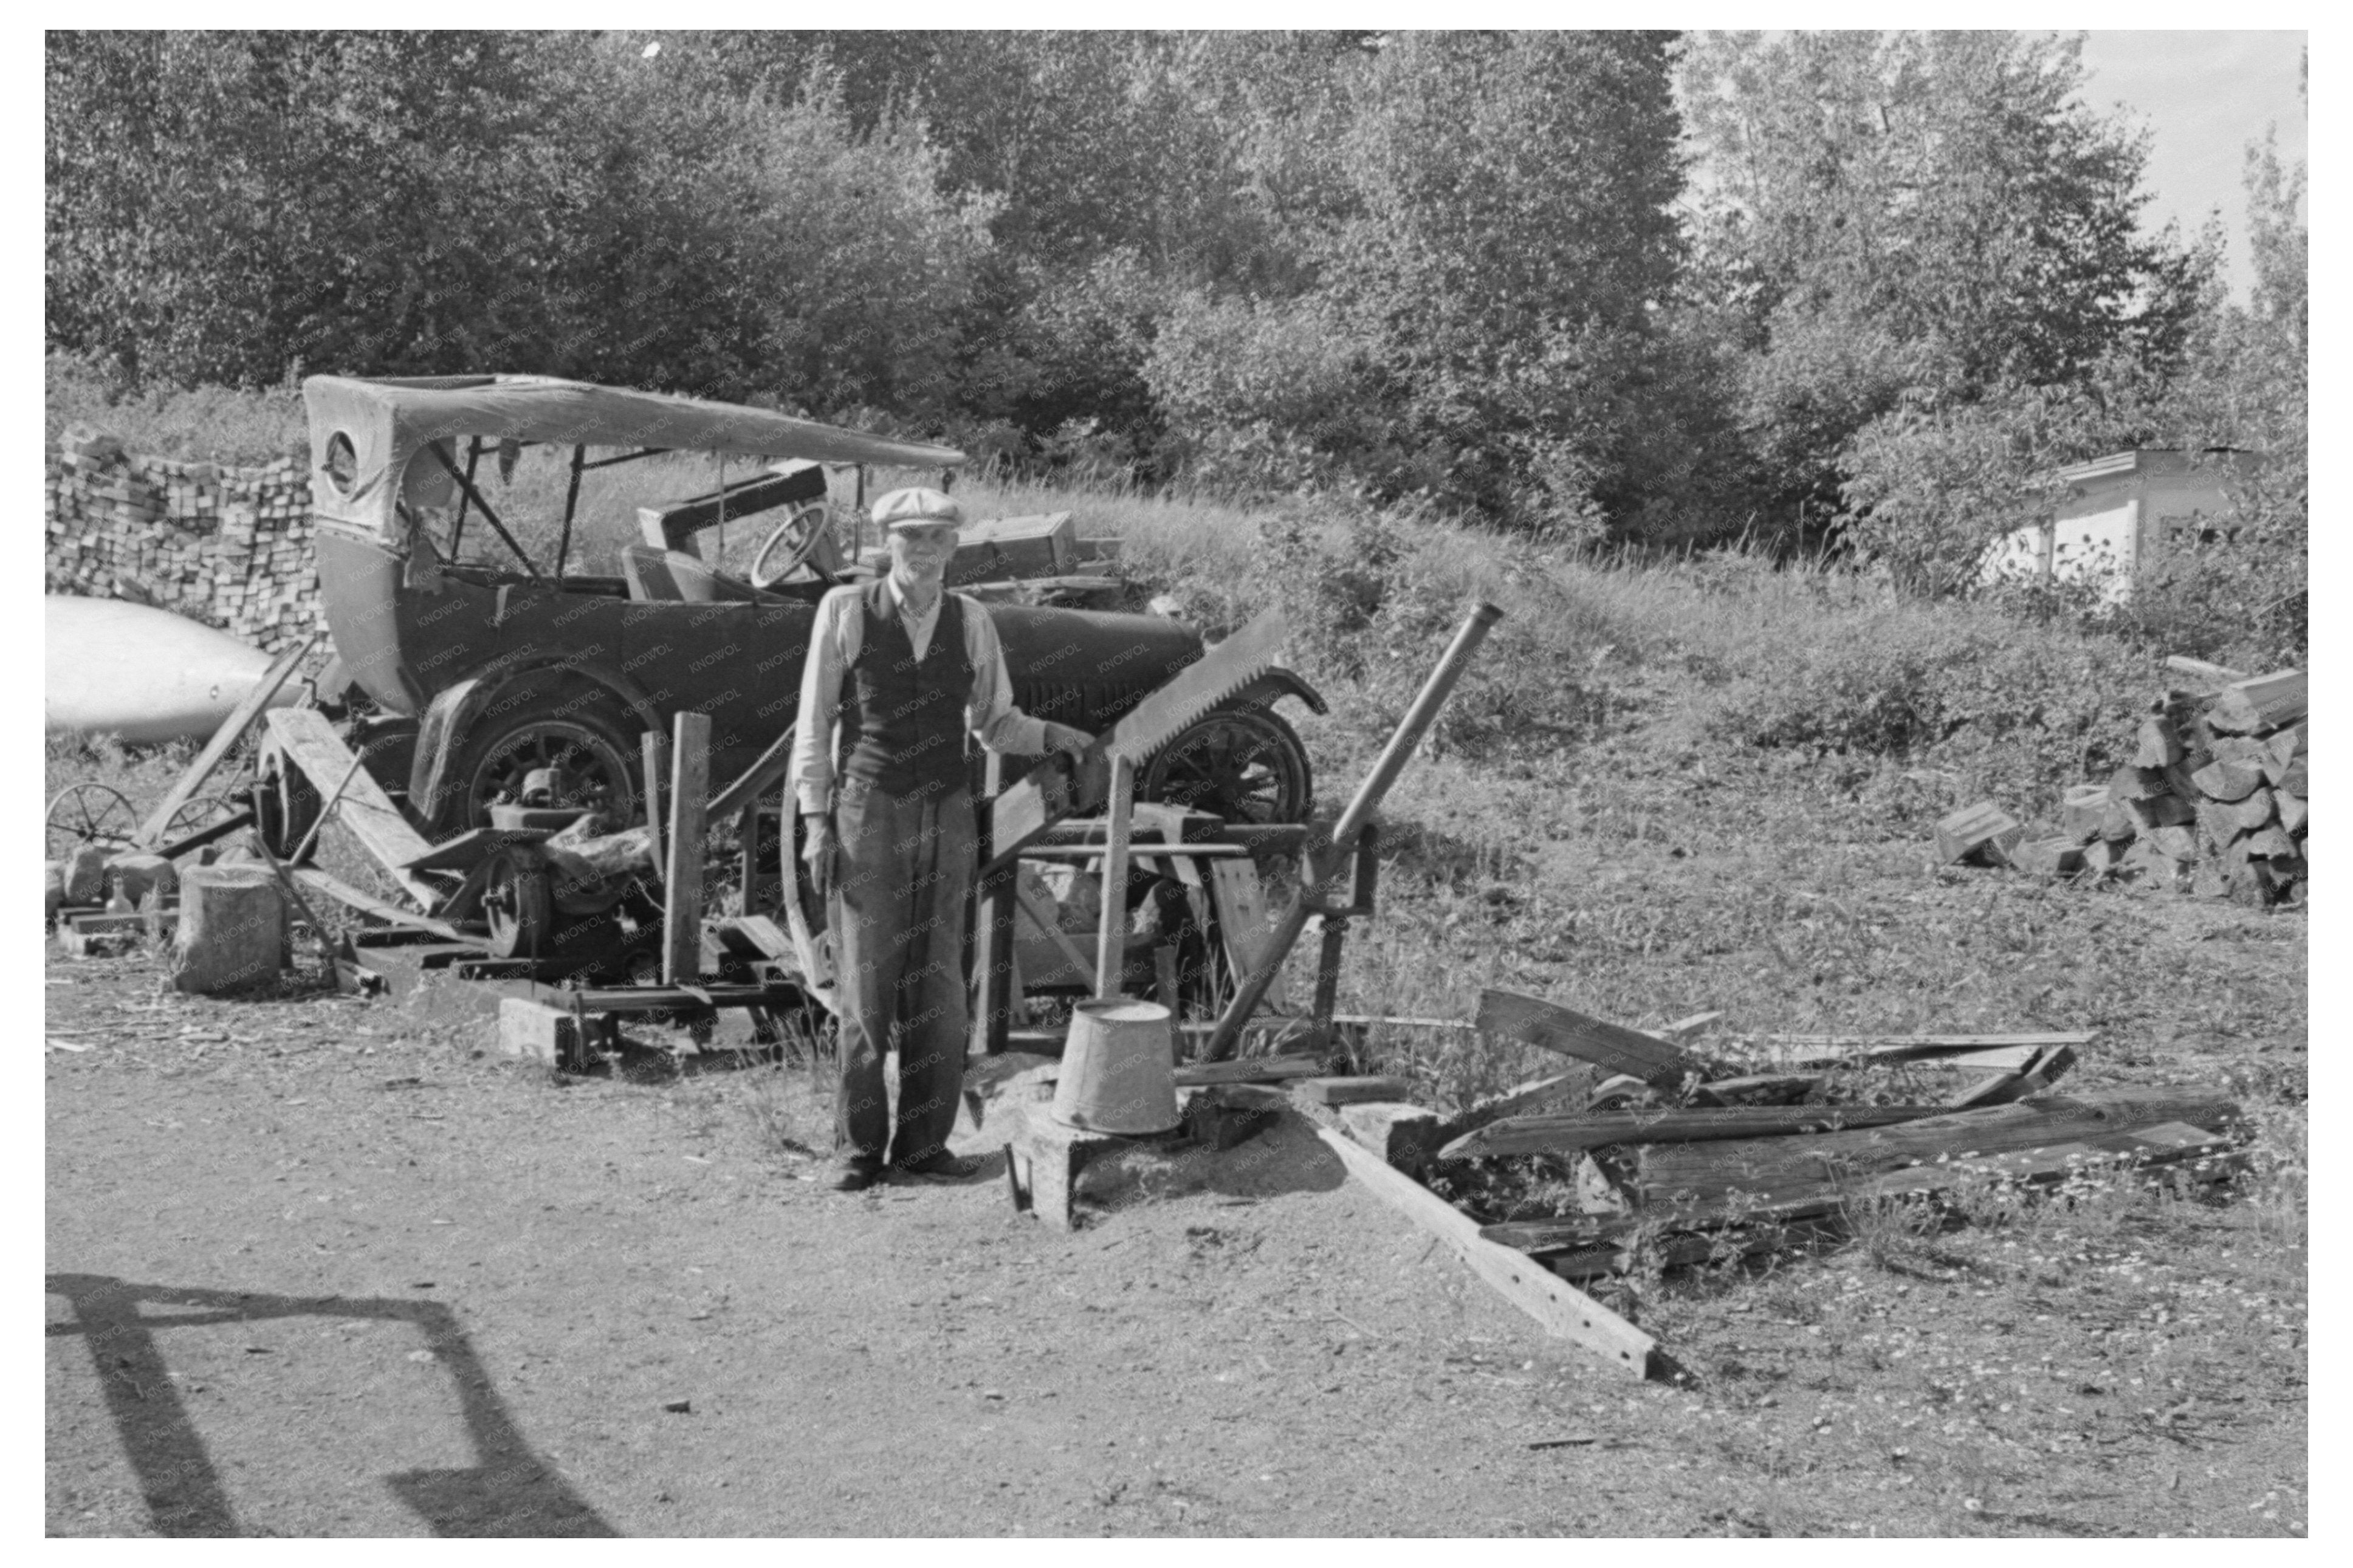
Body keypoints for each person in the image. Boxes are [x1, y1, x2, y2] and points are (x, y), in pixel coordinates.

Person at [788, 487, 1093, 1191]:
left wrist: (1057, 736)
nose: (921, 549)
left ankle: (923, 1146)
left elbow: (995, 723)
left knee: (941, 984)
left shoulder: (972, 619)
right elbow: (813, 727)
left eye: (934, 537)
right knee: (867, 984)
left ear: (953, 547)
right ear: (884, 543)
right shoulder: (844, 612)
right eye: (908, 537)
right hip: (868, 810)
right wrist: (813, 820)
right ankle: (858, 1150)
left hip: (948, 809)